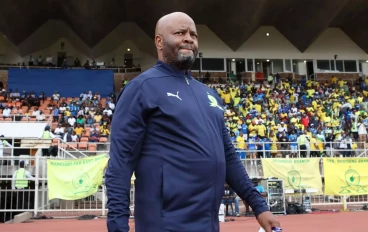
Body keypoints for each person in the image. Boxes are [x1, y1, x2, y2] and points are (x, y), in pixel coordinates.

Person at [105, 12, 280, 232]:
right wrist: (117, 226)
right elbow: (120, 164)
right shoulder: (141, 88)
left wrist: (259, 206)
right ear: (159, 41)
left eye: (193, 35)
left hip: (207, 223)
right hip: (163, 223)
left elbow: (227, 155)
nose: (189, 38)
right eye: (180, 33)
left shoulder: (209, 95)